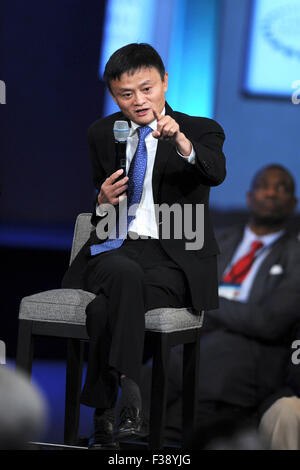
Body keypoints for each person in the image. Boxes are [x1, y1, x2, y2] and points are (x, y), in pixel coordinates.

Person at [62, 43, 226, 449]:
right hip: (114, 248)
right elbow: (102, 207)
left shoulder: (202, 129)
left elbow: (215, 172)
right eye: (125, 94)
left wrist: (182, 144)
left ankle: (102, 418)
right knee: (122, 272)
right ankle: (131, 397)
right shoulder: (101, 133)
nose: (138, 101)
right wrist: (101, 201)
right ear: (114, 95)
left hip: (173, 259)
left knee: (104, 307)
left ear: (165, 82)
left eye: (146, 89)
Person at [140, 164, 300, 449]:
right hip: (195, 343)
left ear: (293, 204)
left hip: (250, 355)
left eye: (282, 188)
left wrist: (209, 306)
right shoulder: (218, 240)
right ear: (250, 196)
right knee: (146, 379)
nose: (272, 193)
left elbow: (269, 320)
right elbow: (184, 292)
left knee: (179, 421)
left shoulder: (295, 254)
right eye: (264, 185)